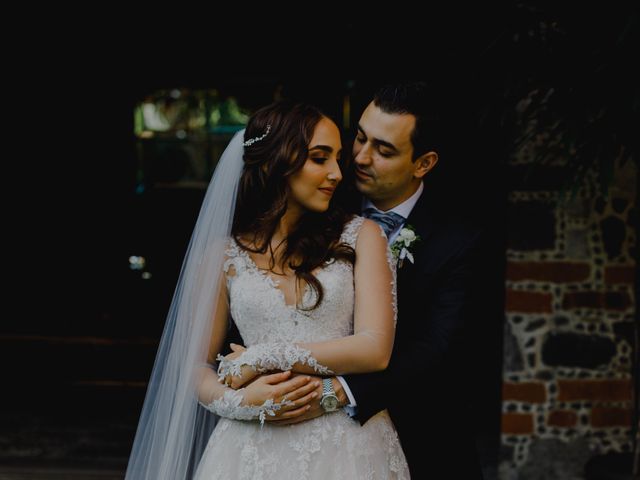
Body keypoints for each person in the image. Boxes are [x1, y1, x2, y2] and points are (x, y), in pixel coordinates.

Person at [125, 100, 410, 479]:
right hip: (249, 450)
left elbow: (375, 349)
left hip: (347, 447)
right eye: (319, 158)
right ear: (278, 161)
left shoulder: (362, 236)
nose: (336, 173)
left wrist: (259, 357)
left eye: (337, 158)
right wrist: (240, 402)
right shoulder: (223, 254)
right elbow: (194, 366)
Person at [224, 82, 485, 478]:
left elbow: (437, 347)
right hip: (273, 431)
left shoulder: (460, 238)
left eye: (383, 150)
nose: (359, 157)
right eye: (360, 138)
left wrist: (335, 393)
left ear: (423, 163)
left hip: (418, 437)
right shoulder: (317, 190)